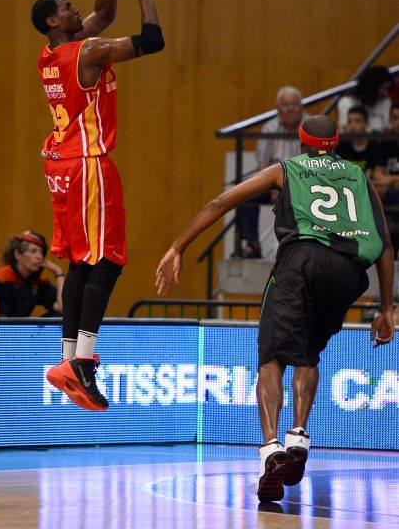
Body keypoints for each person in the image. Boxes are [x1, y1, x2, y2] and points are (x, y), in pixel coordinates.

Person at [156, 115, 394, 503]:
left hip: (301, 260)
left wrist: (178, 246)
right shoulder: (359, 177)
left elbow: (221, 202)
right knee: (308, 353)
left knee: (272, 357)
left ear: (301, 143)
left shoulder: (286, 169)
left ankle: (270, 447)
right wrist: (386, 308)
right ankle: (298, 435)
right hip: (349, 273)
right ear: (336, 143)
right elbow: (384, 246)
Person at [31, 0, 164, 411]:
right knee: (107, 260)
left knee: (80, 263)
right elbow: (152, 40)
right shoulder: (87, 51)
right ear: (54, 20)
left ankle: (68, 358)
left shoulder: (50, 55)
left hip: (60, 164)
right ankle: (83, 362)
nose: (76, 9)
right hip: (87, 165)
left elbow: (104, 13)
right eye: (67, 7)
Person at [241, 86, 309, 257]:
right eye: (286, 105)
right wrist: (272, 187)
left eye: (294, 104)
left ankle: (307, 245)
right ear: (278, 109)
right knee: (245, 193)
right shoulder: (269, 128)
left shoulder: (311, 126)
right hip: (273, 182)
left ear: (301, 106)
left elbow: (315, 162)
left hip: (304, 182)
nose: (291, 108)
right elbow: (262, 164)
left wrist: (286, 187)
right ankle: (252, 243)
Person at [0, 231, 64, 317]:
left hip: (23, 325)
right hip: (2, 325)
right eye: (33, 251)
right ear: (18, 255)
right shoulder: (1, 278)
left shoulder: (36, 281)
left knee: (59, 316)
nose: (39, 257)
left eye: (41, 252)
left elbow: (62, 308)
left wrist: (58, 272)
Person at [372, 102, 399, 257]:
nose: (398, 122)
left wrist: (388, 179)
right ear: (390, 121)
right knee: (375, 188)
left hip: (391, 188)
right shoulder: (387, 142)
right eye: (395, 118)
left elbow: (382, 176)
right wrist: (394, 180)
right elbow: (377, 174)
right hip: (391, 190)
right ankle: (382, 243)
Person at [337, 65, 393, 132]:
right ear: (371, 87)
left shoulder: (386, 102)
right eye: (383, 88)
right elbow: (344, 130)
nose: (386, 93)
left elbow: (389, 129)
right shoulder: (346, 102)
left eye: (388, 89)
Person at [336, 105, 377, 176]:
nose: (353, 125)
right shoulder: (341, 146)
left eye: (358, 121)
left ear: (366, 124)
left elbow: (370, 175)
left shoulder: (374, 146)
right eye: (350, 121)